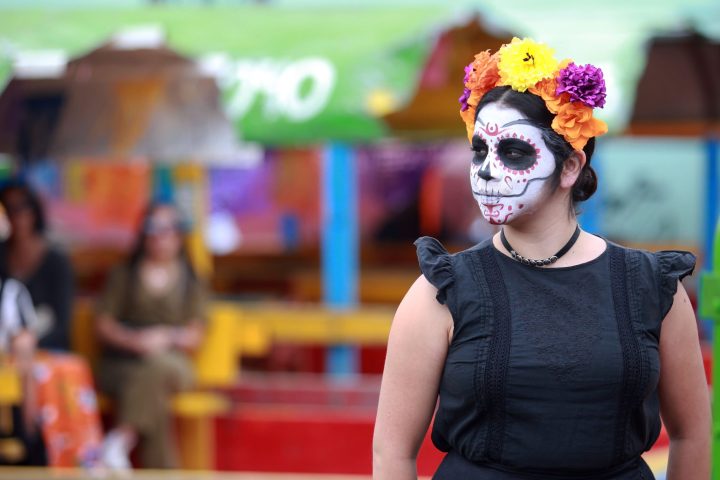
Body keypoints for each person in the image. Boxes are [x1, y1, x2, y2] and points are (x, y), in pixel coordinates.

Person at [373, 38, 710, 479]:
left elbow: (692, 434)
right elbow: (392, 453)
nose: (488, 170)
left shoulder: (653, 287)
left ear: (571, 166)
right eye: (479, 150)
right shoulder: (440, 291)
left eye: (514, 152)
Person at [95, 202, 207, 469]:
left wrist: (164, 338)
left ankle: (120, 439)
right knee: (154, 396)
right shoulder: (124, 274)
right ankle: (159, 470)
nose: (159, 236)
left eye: (167, 229)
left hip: (173, 363)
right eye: (152, 228)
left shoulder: (191, 280)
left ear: (179, 235)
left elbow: (195, 336)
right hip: (123, 363)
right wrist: (135, 342)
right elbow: (103, 325)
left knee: (157, 367)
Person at [0, 180, 74, 352]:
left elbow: (61, 323)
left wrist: (29, 339)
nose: (15, 216)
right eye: (8, 209)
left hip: (46, 349)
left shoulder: (56, 261)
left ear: (34, 210)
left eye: (21, 207)